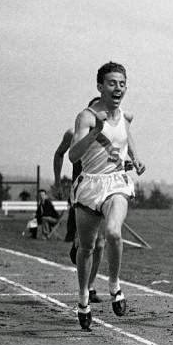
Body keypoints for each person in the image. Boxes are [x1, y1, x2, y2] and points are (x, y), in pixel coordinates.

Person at [69, 62, 145, 331]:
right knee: (86, 248)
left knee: (113, 232)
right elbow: (73, 155)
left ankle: (114, 286)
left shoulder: (125, 115)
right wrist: (96, 132)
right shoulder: (86, 117)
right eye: (112, 83)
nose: (118, 89)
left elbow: (127, 135)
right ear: (100, 87)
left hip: (116, 184)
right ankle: (82, 299)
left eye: (122, 84)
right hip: (90, 185)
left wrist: (135, 158)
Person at [53, 100, 107, 305]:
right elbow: (59, 154)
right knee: (89, 243)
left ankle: (89, 287)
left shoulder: (112, 135)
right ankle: (79, 243)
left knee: (100, 243)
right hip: (81, 191)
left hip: (104, 191)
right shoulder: (73, 133)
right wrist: (58, 182)